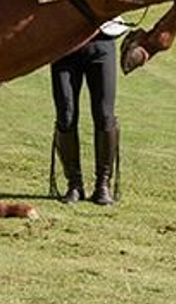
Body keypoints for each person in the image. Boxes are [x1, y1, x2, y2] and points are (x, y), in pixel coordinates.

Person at [49, 18, 131, 205]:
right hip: (64, 46)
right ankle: (74, 185)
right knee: (66, 115)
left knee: (104, 115)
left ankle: (103, 186)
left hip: (101, 43)